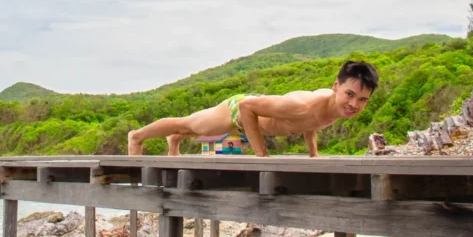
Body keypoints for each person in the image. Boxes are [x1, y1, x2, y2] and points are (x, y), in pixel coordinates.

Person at [127, 60, 379, 157]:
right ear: (336, 86)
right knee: (188, 124)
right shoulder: (301, 105)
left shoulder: (334, 107)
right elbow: (247, 106)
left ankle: (174, 141)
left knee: (196, 131)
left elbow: (312, 124)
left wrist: (314, 155)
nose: (354, 105)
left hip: (253, 118)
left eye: (362, 100)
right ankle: (137, 136)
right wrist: (262, 156)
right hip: (238, 111)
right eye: (349, 95)